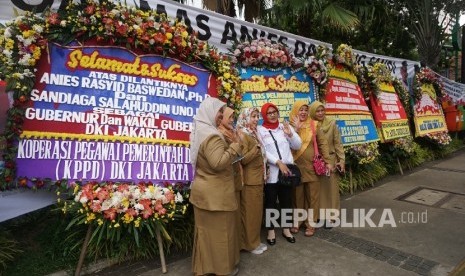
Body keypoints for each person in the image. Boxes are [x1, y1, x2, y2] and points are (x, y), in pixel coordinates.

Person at [189, 97, 243, 276]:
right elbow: (218, 163)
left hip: (205, 194)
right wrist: (235, 146)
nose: (221, 115)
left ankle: (206, 268)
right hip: (216, 196)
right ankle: (222, 270)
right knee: (221, 235)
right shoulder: (212, 136)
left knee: (207, 236)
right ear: (210, 112)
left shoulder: (202, 130)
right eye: (220, 111)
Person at [257, 102, 301, 245]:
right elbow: (263, 151)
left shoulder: (284, 127)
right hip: (272, 173)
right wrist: (278, 162)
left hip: (287, 172)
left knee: (286, 201)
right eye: (269, 113)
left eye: (274, 111)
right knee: (270, 202)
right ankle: (271, 231)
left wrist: (291, 135)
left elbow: (297, 145)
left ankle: (286, 229)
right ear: (264, 115)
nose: (272, 115)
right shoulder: (260, 130)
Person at [289, 101, 332, 236]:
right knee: (297, 196)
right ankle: (298, 221)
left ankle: (311, 224)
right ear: (295, 111)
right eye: (300, 110)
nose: (303, 112)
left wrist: (328, 161)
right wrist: (294, 130)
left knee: (313, 197)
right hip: (296, 167)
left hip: (312, 167)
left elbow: (323, 143)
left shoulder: (314, 124)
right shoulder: (288, 126)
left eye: (305, 110)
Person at [309, 101, 345, 229]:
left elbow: (338, 143)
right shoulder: (310, 124)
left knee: (331, 190)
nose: (320, 113)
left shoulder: (332, 123)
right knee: (319, 190)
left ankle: (332, 217)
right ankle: (319, 215)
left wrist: (341, 160)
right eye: (317, 111)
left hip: (331, 160)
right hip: (317, 162)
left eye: (322, 110)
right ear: (313, 112)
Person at [236, 107, 268, 255]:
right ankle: (250, 244)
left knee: (255, 213)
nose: (256, 119)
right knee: (251, 214)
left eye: (257, 116)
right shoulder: (243, 134)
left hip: (256, 179)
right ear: (245, 118)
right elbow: (242, 160)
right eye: (253, 116)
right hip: (250, 181)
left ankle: (252, 241)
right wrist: (256, 150)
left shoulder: (252, 133)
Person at [217, 106, 243, 258]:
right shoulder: (220, 134)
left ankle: (237, 247)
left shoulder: (232, 133)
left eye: (234, 117)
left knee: (237, 213)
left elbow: (241, 151)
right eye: (230, 117)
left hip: (236, 175)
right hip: (227, 178)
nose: (232, 120)